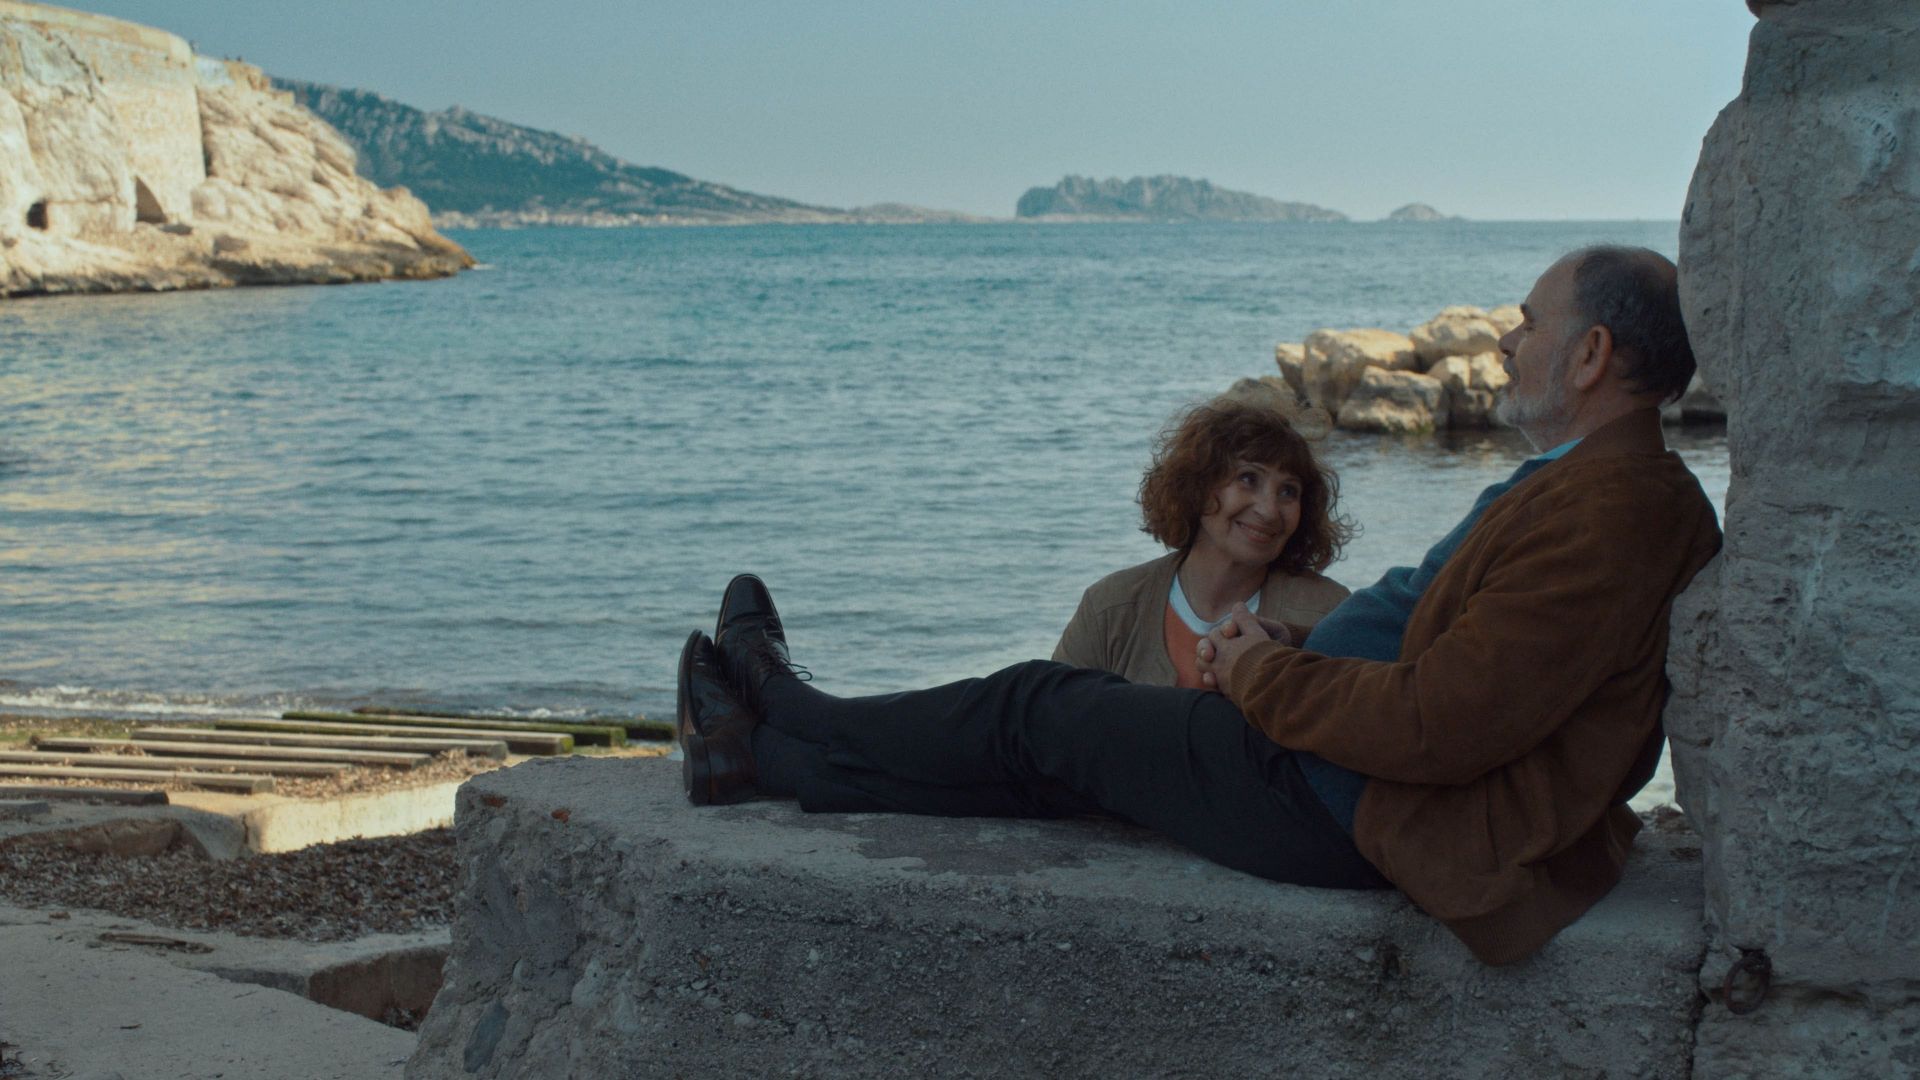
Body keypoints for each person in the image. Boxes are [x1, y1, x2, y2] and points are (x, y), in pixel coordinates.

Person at [675, 245, 1722, 965]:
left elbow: (1442, 722)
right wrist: (1294, 645)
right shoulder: (1592, 487)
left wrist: (1264, 671)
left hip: (1356, 809)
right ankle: (759, 761)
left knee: (1039, 707)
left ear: (1591, 356)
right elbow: (1460, 659)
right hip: (1341, 774)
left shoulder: (1613, 511)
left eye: (1530, 325)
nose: (1506, 343)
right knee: (1053, 765)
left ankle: (787, 707)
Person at [1053, 389, 1351, 689]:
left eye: (1288, 491)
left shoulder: (1330, 614)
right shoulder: (1110, 608)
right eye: (1248, 479)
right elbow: (1048, 712)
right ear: (1198, 485)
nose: (1269, 510)